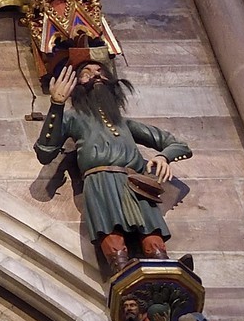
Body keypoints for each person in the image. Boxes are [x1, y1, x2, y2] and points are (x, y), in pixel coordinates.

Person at [35, 57, 191, 275]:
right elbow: (45, 152)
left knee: (150, 230)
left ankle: (163, 265)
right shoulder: (73, 118)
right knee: (110, 230)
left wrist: (165, 157)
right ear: (77, 85)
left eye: (100, 71)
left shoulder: (123, 123)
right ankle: (121, 271)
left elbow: (179, 145)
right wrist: (57, 105)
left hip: (133, 183)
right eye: (87, 73)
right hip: (100, 182)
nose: (96, 74)